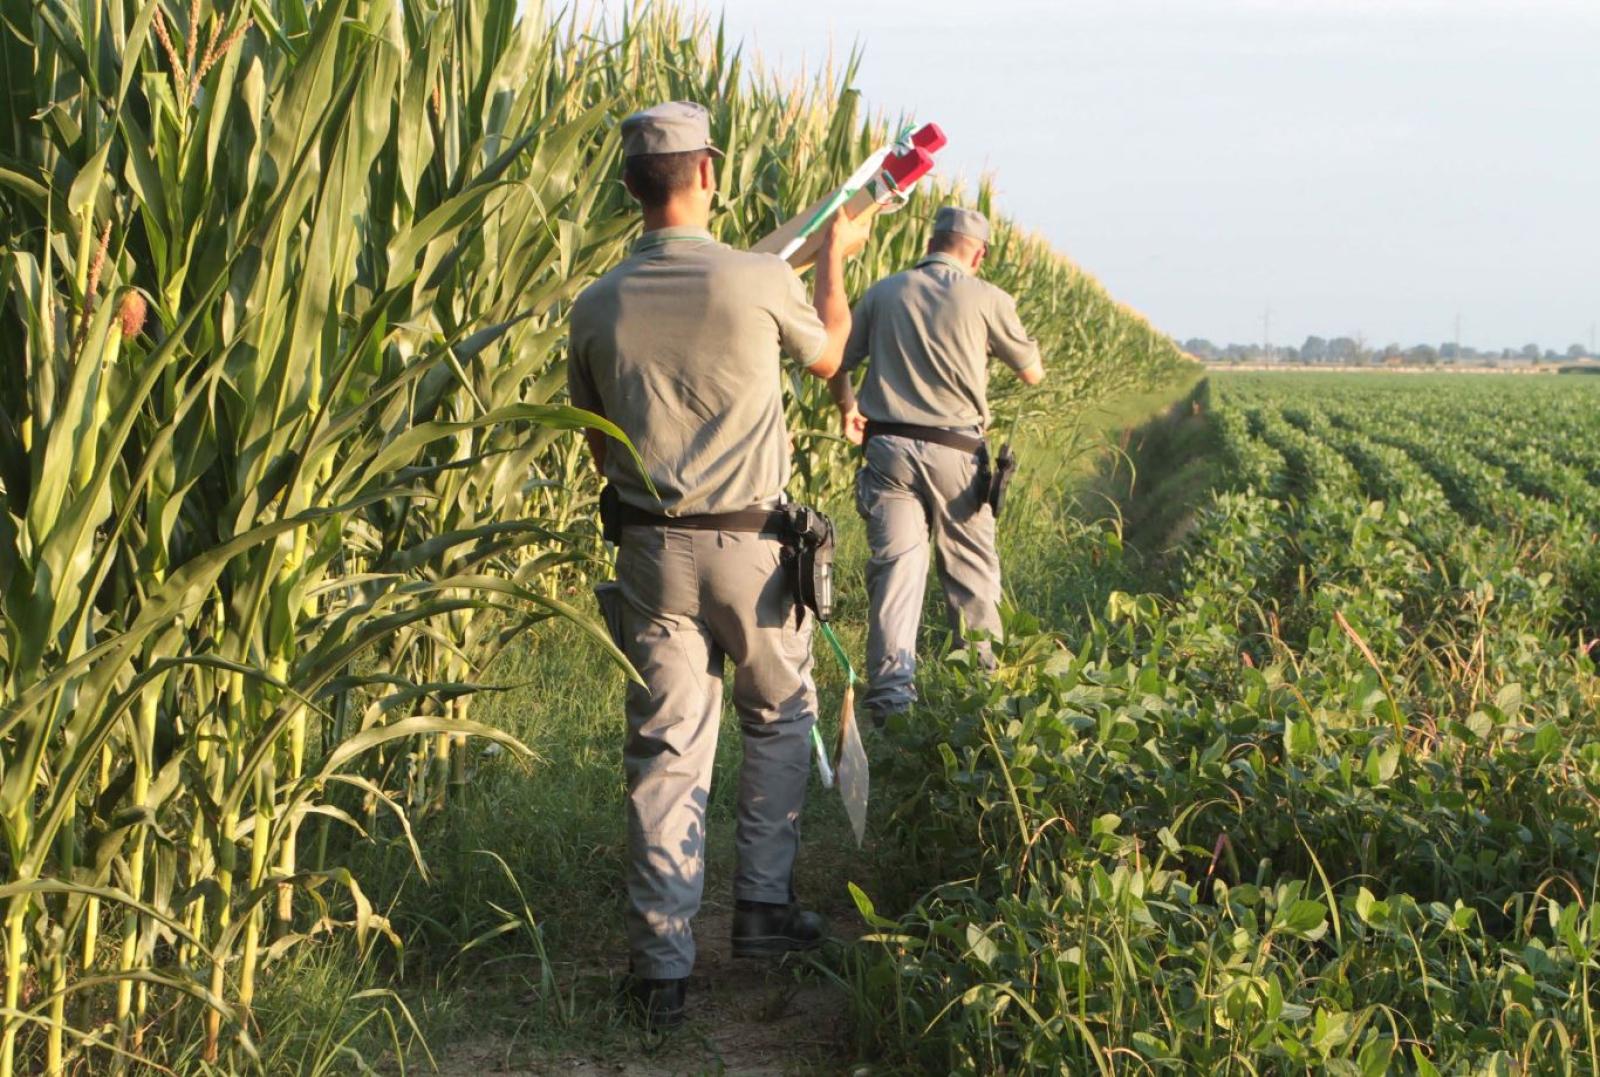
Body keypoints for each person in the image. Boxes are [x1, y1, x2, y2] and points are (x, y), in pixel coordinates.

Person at [566, 101, 871, 1031]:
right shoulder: (755, 279)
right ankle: (765, 912)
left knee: (666, 748)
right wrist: (834, 261)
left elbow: (595, 451)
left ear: (630, 186)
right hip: (756, 549)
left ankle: (661, 970)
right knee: (780, 716)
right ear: (708, 174)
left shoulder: (598, 302)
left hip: (652, 550)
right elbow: (832, 356)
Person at [827, 206, 1045, 725]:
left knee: (897, 570)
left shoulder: (883, 292)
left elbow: (837, 359)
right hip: (956, 454)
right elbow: (1032, 372)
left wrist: (847, 406)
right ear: (978, 252)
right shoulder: (989, 298)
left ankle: (889, 704)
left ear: (931, 241)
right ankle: (980, 696)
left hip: (888, 450)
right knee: (970, 574)